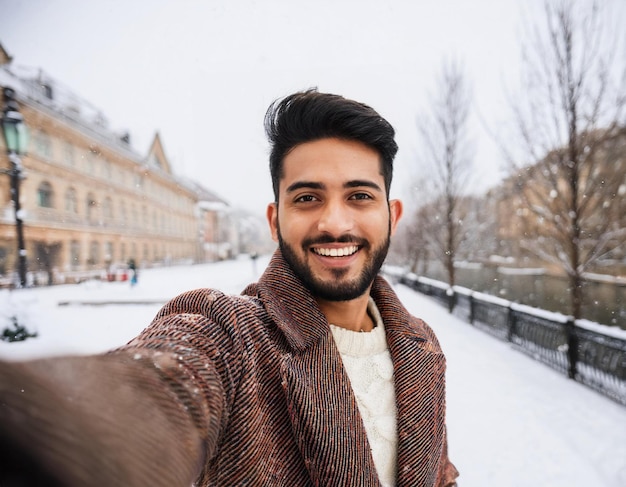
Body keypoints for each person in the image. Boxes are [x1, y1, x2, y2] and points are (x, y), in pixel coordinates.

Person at [0, 89, 458, 486]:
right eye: (306, 198)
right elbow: (158, 388)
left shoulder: (420, 346)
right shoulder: (231, 337)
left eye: (359, 196)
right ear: (276, 219)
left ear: (392, 216)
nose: (334, 223)